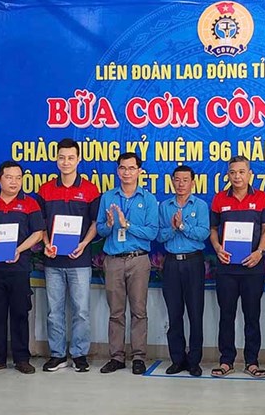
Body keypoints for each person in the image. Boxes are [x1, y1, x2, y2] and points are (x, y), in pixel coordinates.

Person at [0, 160, 44, 374]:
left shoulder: (30, 204)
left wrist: (18, 250)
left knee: (20, 313)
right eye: (9, 177)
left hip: (19, 268)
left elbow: (38, 233)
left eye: (18, 178)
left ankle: (22, 358)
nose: (14, 182)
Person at [37, 139, 100, 373]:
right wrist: (46, 243)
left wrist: (83, 244)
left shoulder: (90, 190)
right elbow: (40, 224)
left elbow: (95, 223)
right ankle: (57, 354)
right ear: (56, 160)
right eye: (62, 157)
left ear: (78, 160)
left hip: (80, 261)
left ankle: (80, 354)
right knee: (54, 311)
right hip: (53, 261)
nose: (66, 162)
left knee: (81, 310)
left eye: (71, 158)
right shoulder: (45, 189)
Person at [209, 155, 265, 379]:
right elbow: (214, 229)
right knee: (226, 315)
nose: (237, 176)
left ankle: (252, 362)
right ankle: (226, 361)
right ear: (228, 175)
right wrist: (217, 247)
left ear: (249, 174)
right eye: (233, 172)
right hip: (226, 268)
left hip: (252, 268)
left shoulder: (263, 198)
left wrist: (260, 252)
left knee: (252, 315)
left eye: (241, 172)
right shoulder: (219, 199)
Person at [96, 152, 159, 375]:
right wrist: (110, 224)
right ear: (117, 170)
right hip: (113, 260)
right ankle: (116, 356)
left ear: (140, 171)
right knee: (116, 312)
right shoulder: (108, 197)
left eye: (132, 168)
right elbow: (101, 229)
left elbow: (153, 232)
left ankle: (139, 356)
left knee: (139, 311)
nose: (127, 172)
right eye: (123, 168)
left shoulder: (149, 199)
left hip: (138, 260)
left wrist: (127, 224)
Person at [157, 165, 210, 377]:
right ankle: (177, 359)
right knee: (174, 313)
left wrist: (182, 227)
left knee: (195, 313)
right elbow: (159, 237)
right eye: (177, 180)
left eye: (185, 180)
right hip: (171, 264)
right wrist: (172, 228)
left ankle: (194, 361)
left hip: (193, 263)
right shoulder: (165, 206)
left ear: (192, 182)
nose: (181, 184)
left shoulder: (201, 205)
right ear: (172, 182)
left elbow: (203, 233)